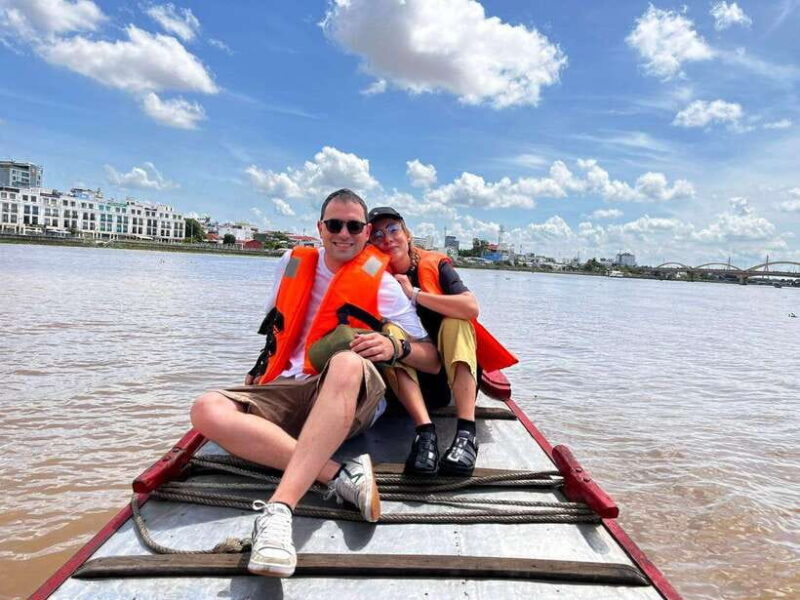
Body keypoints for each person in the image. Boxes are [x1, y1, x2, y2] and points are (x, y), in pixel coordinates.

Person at [190, 190, 439, 578]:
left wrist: (394, 345)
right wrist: (260, 367)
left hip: (349, 390)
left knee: (344, 362)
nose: (344, 233)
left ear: (365, 231)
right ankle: (338, 475)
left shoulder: (383, 283)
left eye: (354, 226)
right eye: (334, 225)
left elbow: (432, 358)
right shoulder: (290, 261)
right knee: (206, 408)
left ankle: (278, 512)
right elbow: (277, 323)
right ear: (319, 229)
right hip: (288, 386)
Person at [367, 206, 517, 478]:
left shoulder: (436, 264)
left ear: (407, 234)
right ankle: (425, 434)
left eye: (393, 230)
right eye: (376, 235)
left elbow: (470, 307)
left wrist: (413, 294)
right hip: (406, 385)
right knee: (388, 332)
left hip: (447, 382)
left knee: (456, 322)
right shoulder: (370, 275)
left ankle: (466, 435)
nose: (387, 238)